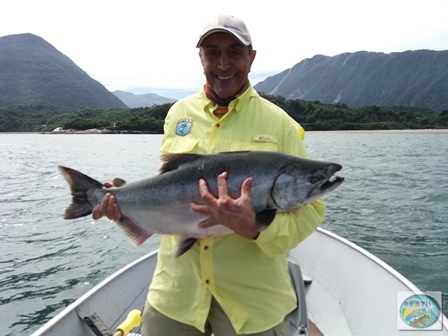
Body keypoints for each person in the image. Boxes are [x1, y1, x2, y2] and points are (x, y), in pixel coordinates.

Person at [93, 14, 326, 336]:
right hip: (176, 294)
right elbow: (169, 182)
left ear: (251, 58)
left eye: (234, 52)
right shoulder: (178, 114)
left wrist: (256, 227)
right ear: (201, 58)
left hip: (252, 302)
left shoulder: (280, 123)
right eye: (213, 52)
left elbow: (312, 211)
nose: (223, 63)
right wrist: (121, 199)